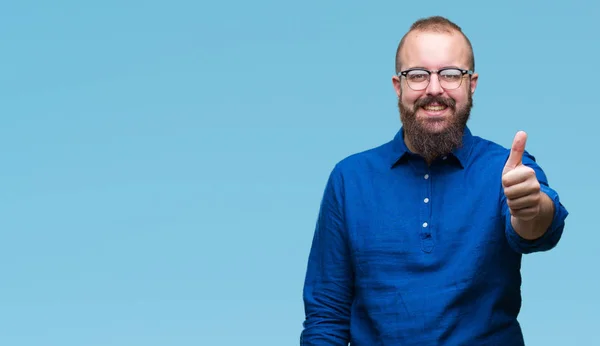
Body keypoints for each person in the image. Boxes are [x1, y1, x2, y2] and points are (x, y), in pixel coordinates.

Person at [300, 16, 569, 345]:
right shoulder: (349, 179)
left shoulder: (507, 169)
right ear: (398, 86)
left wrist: (530, 209)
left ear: (472, 84)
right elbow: (326, 316)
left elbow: (541, 226)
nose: (434, 88)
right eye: (418, 75)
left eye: (451, 74)